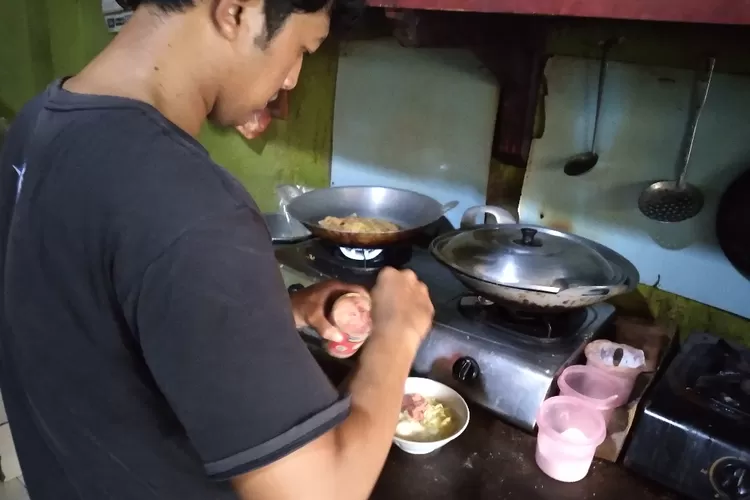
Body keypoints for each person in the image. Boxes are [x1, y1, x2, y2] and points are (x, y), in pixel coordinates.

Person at [0, 0, 435, 499]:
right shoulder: (191, 204)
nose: (292, 78)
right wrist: (397, 336)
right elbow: (322, 492)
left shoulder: (39, 123)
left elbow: (87, 317)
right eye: (301, 48)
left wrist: (274, 314)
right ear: (236, 11)